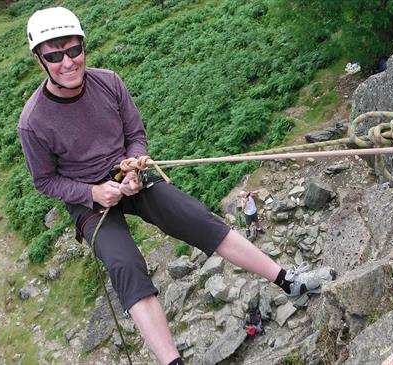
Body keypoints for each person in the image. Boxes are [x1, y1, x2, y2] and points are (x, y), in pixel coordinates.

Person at [18, 7, 335, 365]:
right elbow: (45, 180)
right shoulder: (34, 122)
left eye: (73, 50)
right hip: (87, 197)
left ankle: (288, 281)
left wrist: (135, 164)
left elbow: (135, 135)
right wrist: (91, 192)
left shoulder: (109, 82)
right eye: (55, 55)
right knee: (125, 264)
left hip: (128, 175)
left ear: (83, 47)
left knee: (196, 217)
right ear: (39, 59)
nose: (68, 62)